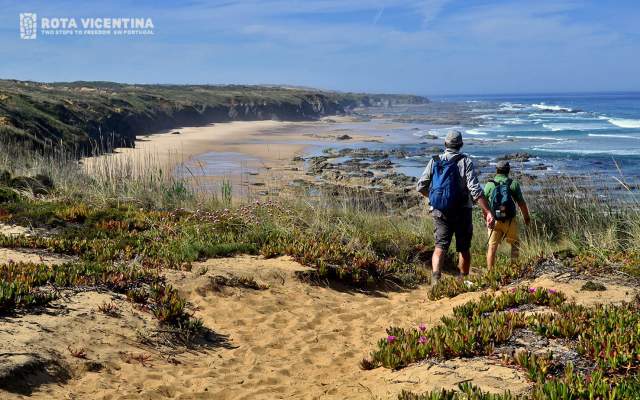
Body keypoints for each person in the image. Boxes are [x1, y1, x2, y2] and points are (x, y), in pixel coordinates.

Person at [416, 131, 494, 286]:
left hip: (440, 211)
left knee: (440, 246)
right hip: (462, 211)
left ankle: (435, 281)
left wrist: (434, 198)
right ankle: (462, 280)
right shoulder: (465, 161)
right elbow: (475, 190)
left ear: (445, 144)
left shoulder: (435, 160)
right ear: (461, 145)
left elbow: (420, 186)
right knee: (463, 248)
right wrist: (488, 211)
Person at [483, 160, 531, 268]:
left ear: (496, 170)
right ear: (508, 170)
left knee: (492, 247)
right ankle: (514, 269)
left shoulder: (489, 184)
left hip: (494, 220)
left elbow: (483, 203)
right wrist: (526, 218)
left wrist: (486, 216)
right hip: (509, 220)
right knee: (515, 244)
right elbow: (521, 203)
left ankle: (490, 273)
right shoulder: (513, 184)